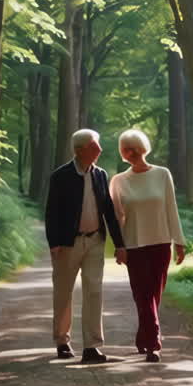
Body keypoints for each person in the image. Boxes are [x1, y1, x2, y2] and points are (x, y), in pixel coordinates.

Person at [45, 129, 127, 363]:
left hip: (94, 241)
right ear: (80, 150)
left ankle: (92, 346)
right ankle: (62, 342)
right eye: (94, 146)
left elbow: (109, 212)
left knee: (94, 292)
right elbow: (52, 212)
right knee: (63, 294)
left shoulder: (100, 175)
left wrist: (120, 245)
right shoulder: (60, 176)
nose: (100, 150)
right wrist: (55, 243)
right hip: (67, 244)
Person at [109, 129, 185, 363]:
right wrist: (119, 246)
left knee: (153, 295)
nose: (127, 152)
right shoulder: (119, 181)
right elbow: (115, 217)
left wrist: (179, 242)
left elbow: (171, 209)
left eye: (131, 148)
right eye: (125, 148)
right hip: (134, 245)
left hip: (161, 243)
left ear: (141, 149)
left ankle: (144, 337)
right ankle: (154, 344)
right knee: (141, 295)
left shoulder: (162, 174)